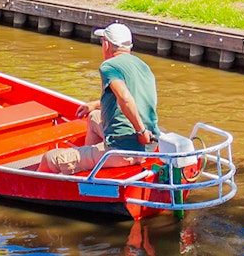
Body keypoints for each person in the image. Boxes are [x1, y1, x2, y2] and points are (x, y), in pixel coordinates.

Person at [39, 22, 160, 175]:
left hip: (122, 151)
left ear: (107, 44)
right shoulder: (143, 66)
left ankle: (78, 172)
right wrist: (95, 105)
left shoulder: (109, 66)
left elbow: (125, 98)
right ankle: (90, 166)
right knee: (94, 116)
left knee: (49, 159)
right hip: (148, 148)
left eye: (102, 42)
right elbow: (137, 100)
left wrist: (141, 132)